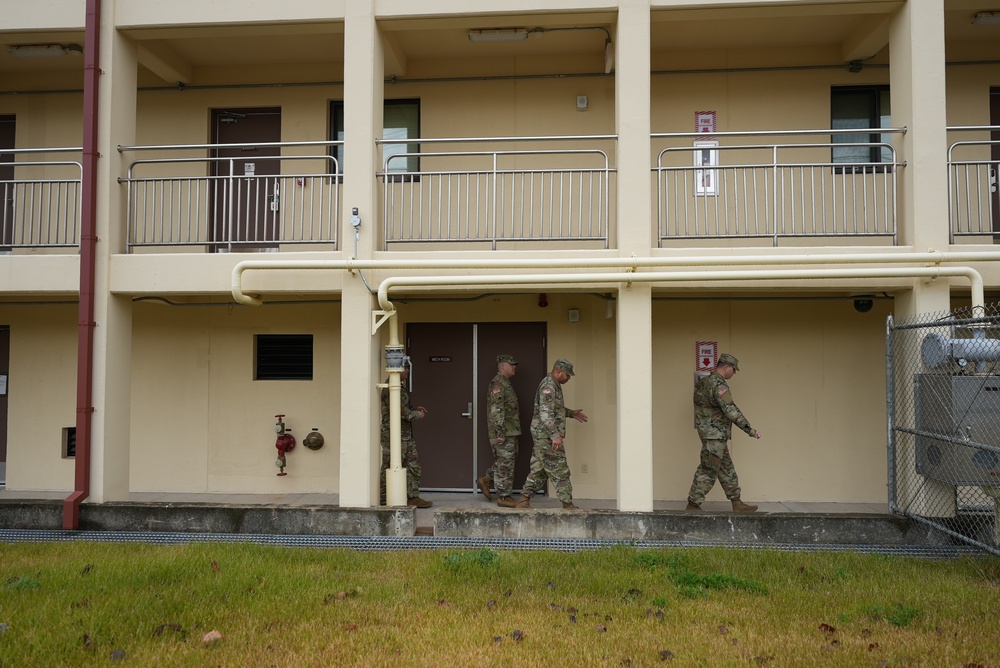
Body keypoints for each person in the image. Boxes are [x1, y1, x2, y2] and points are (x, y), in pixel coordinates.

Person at [686, 353, 760, 513]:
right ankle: (693, 504)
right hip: (715, 435)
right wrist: (750, 430)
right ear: (726, 367)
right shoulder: (719, 385)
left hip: (710, 433)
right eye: (733, 369)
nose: (734, 373)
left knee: (726, 468)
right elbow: (731, 410)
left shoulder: (703, 383)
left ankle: (737, 502)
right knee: (708, 469)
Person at [516, 358, 589, 511]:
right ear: (558, 371)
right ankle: (568, 505)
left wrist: (570, 413)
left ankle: (523, 500)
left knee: (539, 470)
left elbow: (554, 408)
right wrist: (555, 435)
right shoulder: (549, 386)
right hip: (547, 436)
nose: (568, 378)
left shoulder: (553, 385)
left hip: (543, 436)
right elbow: (545, 413)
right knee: (560, 469)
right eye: (567, 375)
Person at [379, 365, 432, 508]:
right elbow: (403, 413)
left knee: (413, 465)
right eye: (405, 368)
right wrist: (417, 414)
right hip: (393, 435)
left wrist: (414, 407)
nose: (408, 371)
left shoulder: (398, 387)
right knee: (389, 465)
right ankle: (383, 498)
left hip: (404, 435)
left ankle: (412, 496)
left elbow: (403, 407)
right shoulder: (391, 387)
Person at [478, 354, 521, 508]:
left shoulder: (505, 383)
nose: (514, 367)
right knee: (505, 463)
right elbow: (497, 411)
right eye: (512, 364)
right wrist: (500, 433)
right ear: (503, 366)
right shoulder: (498, 384)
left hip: (510, 430)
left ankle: (487, 479)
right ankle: (504, 496)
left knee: (507, 460)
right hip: (504, 432)